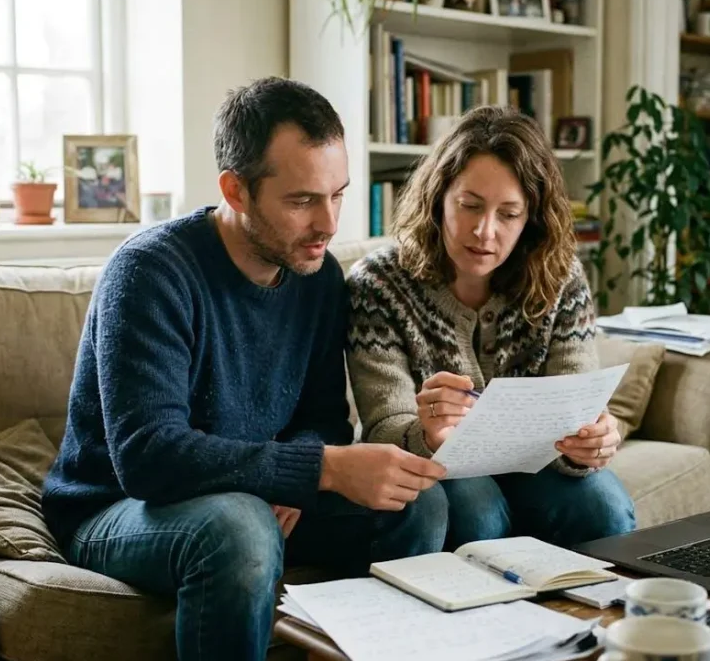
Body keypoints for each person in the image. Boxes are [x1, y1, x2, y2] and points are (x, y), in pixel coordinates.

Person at [42, 77, 449, 660]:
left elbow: (322, 419)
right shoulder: (150, 273)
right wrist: (315, 470)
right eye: (302, 201)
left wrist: (298, 473)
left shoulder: (319, 279)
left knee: (415, 501)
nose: (329, 224)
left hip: (251, 496)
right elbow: (148, 457)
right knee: (239, 527)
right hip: (113, 508)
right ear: (235, 190)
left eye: (337, 195)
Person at [346, 106, 636, 551]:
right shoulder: (378, 284)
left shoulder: (560, 277)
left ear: (531, 218)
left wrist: (589, 443)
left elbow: (576, 403)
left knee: (605, 507)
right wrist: (427, 433)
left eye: (509, 214)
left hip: (535, 465)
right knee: (476, 510)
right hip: (442, 467)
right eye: (470, 206)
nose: (485, 231)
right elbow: (384, 427)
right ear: (439, 198)